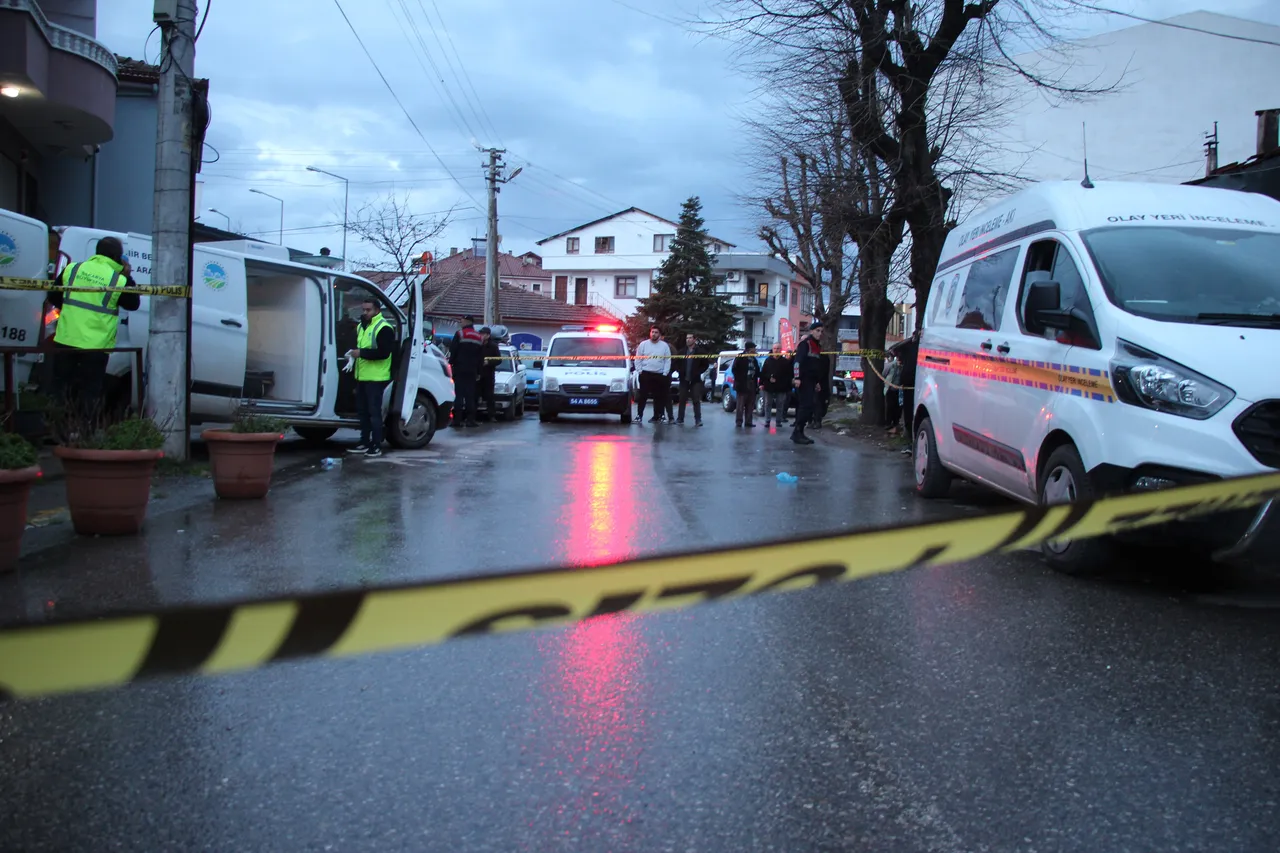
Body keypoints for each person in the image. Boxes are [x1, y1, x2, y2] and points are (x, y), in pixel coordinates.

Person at [47, 236, 141, 423]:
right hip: (96, 346)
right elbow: (133, 303)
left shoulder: (73, 269)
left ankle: (57, 431)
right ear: (117, 257)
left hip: (66, 339)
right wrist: (128, 275)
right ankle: (83, 434)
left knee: (61, 389)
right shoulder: (118, 280)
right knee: (89, 392)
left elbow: (54, 296)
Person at [344, 299, 396, 457]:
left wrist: (361, 353)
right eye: (364, 310)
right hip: (362, 375)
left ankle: (376, 444)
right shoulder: (361, 326)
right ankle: (364, 442)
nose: (365, 313)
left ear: (377, 310)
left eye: (368, 310)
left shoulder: (384, 328)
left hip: (376, 377)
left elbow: (384, 353)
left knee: (374, 413)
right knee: (363, 412)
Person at [791, 321, 824, 445]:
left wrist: (817, 382)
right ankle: (797, 432)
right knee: (805, 406)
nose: (820, 333)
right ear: (811, 331)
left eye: (821, 331)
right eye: (817, 331)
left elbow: (816, 366)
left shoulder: (817, 346)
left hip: (811, 380)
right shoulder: (805, 344)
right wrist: (797, 377)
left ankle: (799, 432)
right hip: (804, 380)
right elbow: (797, 362)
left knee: (809, 406)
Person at [449, 315, 484, 428]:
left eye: (462, 321)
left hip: (459, 368)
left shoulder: (460, 334)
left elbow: (453, 350)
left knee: (458, 394)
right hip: (472, 370)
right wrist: (479, 371)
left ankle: (457, 420)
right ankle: (470, 420)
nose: (461, 322)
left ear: (467, 321)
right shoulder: (479, 337)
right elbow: (481, 356)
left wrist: (451, 364)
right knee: (470, 395)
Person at [634, 326, 672, 424]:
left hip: (659, 375)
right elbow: (638, 358)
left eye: (656, 332)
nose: (654, 334)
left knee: (659, 397)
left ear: (659, 334)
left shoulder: (664, 346)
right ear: (650, 333)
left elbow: (667, 360)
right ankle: (639, 416)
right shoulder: (643, 344)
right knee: (643, 396)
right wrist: (640, 371)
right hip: (645, 373)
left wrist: (665, 373)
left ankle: (659, 416)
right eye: (652, 332)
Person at [897, 330, 920, 452]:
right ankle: (911, 441)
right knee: (908, 415)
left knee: (912, 414)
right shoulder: (910, 347)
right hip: (908, 386)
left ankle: (914, 442)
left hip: (917, 386)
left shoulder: (920, 348)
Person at [676, 333, 706, 426]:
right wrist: (680, 371)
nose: (688, 340)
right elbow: (676, 363)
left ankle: (698, 419)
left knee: (696, 400)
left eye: (690, 338)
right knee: (682, 399)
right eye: (687, 338)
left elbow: (705, 364)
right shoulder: (682, 352)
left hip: (695, 380)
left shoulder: (700, 352)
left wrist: (698, 372)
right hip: (684, 379)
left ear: (694, 339)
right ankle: (680, 419)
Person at [732, 341, 761, 428]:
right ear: (749, 349)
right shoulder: (740, 357)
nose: (755, 349)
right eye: (754, 348)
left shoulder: (754, 359)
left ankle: (748, 422)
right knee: (740, 405)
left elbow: (757, 371)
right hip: (742, 384)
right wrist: (739, 380)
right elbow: (734, 369)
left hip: (752, 383)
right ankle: (739, 422)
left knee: (750, 404)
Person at [761, 344, 791, 429]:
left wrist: (785, 384)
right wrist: (765, 381)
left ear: (780, 350)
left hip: (781, 387)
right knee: (767, 404)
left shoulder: (785, 362)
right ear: (772, 349)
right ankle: (767, 421)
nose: (776, 350)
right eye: (774, 348)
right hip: (769, 386)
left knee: (780, 404)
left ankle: (778, 421)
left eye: (778, 348)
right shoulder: (768, 360)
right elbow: (763, 373)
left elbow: (788, 375)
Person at [478, 326, 501, 421]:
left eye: (483, 334)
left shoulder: (493, 346)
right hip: (478, 374)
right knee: (475, 395)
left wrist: (489, 362)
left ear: (488, 335)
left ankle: (491, 415)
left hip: (488, 374)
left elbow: (499, 360)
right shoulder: (477, 345)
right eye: (480, 334)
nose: (481, 336)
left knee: (489, 396)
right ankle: (472, 416)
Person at [884, 353, 902, 435]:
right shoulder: (891, 366)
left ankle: (896, 423)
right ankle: (888, 423)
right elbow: (884, 374)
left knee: (898, 407)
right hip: (890, 390)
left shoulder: (903, 367)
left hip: (899, 391)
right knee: (889, 407)